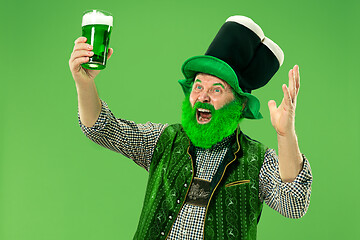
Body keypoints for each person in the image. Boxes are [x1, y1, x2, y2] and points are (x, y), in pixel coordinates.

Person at [69, 15, 312, 240]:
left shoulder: (257, 159)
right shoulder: (163, 140)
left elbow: (293, 203)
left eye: (216, 89)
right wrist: (84, 82)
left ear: (239, 104)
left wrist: (285, 134)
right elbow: (101, 129)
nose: (203, 96)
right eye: (198, 86)